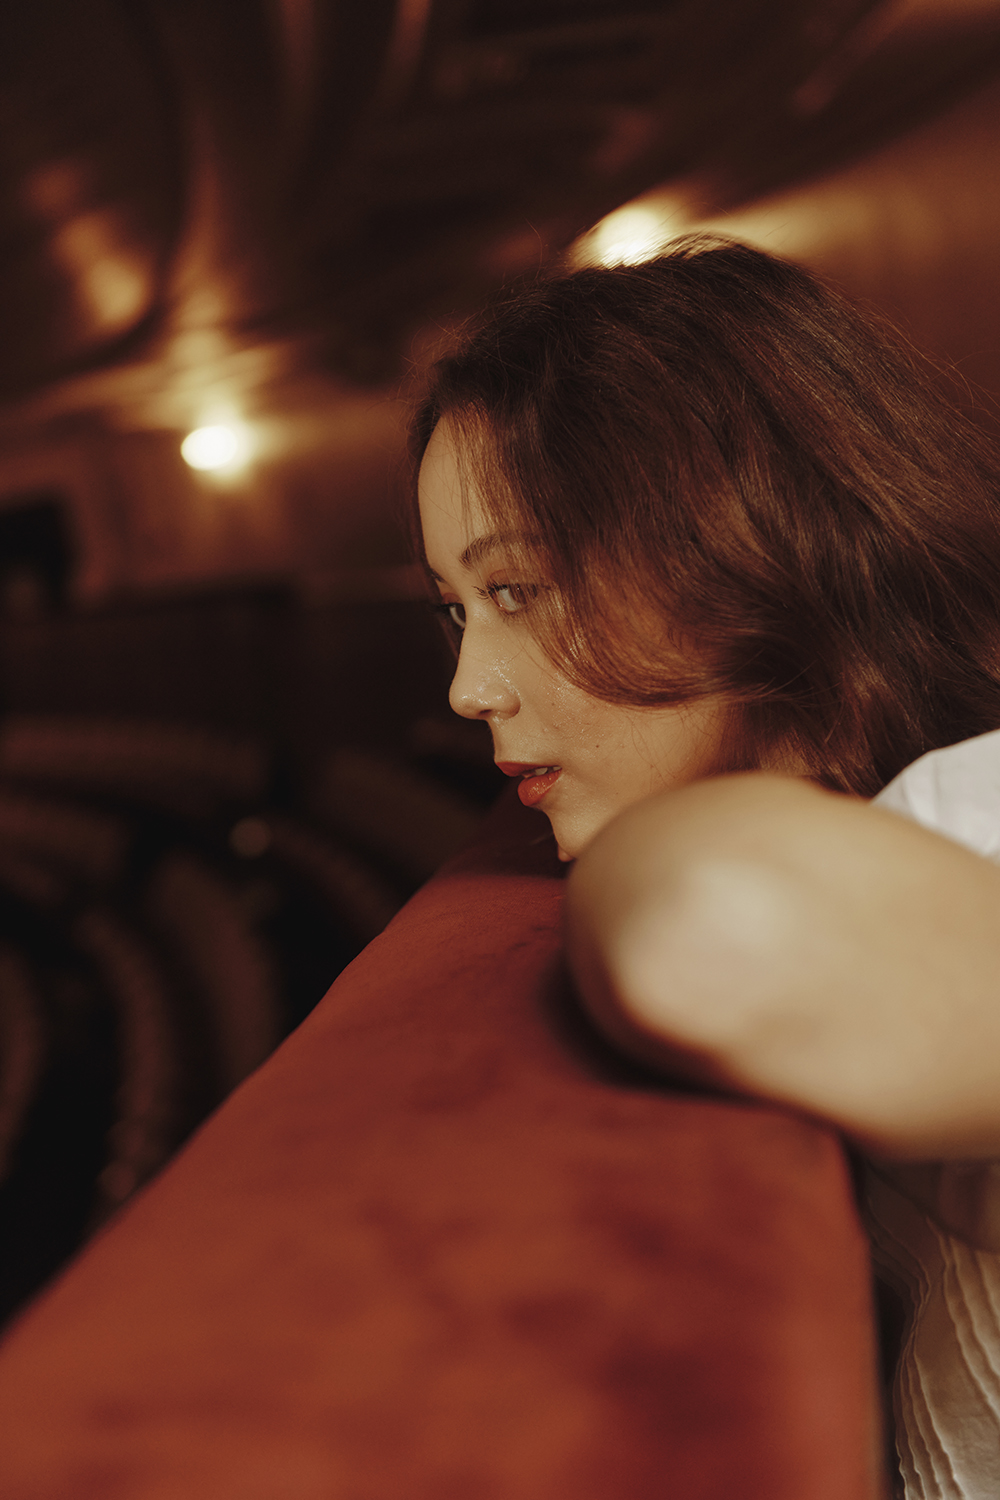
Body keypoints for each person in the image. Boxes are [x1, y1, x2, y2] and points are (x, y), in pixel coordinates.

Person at [413, 236, 1000, 1499]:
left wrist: (651, 844)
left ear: (735, 551)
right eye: (455, 611)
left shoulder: (975, 809)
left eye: (517, 589)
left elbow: (713, 924)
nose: (468, 688)